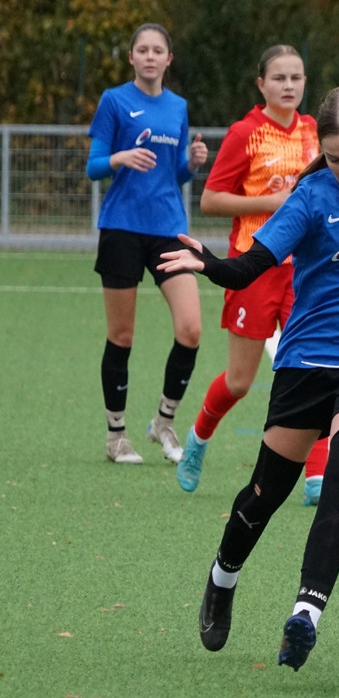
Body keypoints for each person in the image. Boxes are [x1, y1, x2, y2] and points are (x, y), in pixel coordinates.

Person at [157, 85, 339, 672]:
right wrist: (208, 263)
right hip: (308, 362)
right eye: (335, 158)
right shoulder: (311, 196)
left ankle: (305, 614)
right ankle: (222, 577)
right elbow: (253, 264)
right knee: (265, 494)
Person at [175, 45, 329, 505]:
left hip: (304, 270)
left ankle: (316, 476)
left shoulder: (315, 131)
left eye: (296, 77)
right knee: (240, 381)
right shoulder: (245, 133)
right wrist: (271, 203)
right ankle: (198, 438)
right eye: (279, 78)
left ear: (305, 82)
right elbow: (211, 199)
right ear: (261, 84)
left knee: (315, 367)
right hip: (254, 266)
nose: (288, 85)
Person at [86, 23, 208, 464]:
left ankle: (163, 422)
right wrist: (119, 157)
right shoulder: (114, 100)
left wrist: (192, 164)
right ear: (132, 57)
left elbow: (174, 174)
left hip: (168, 228)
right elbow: (94, 167)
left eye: (158, 50)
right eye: (143, 50)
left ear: (168, 59)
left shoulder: (178, 107)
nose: (151, 57)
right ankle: (116, 435)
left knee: (191, 329)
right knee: (122, 335)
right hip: (121, 227)